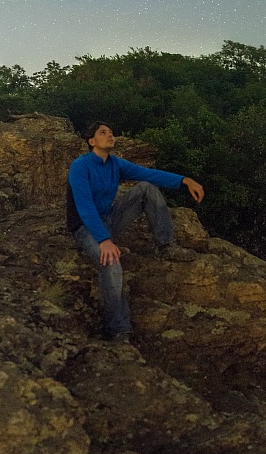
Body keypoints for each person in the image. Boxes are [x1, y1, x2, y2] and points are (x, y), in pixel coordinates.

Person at [66, 121, 206, 342]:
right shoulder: (80, 166)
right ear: (91, 141)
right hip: (85, 226)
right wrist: (104, 240)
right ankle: (118, 330)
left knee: (146, 188)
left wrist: (184, 181)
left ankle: (166, 245)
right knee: (111, 262)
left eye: (111, 132)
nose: (110, 135)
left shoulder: (115, 164)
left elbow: (148, 174)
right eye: (103, 133)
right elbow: (85, 207)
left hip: (109, 218)